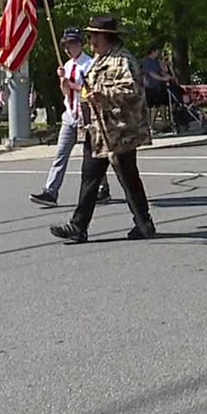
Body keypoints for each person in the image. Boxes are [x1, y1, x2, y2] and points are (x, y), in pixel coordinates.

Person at [49, 15, 156, 244]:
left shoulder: (122, 60)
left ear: (106, 36)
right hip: (97, 129)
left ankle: (144, 223)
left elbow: (133, 91)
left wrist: (104, 96)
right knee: (90, 176)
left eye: (93, 36)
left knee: (128, 178)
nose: (90, 41)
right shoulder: (99, 59)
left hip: (119, 130)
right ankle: (79, 226)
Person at [31, 28, 111, 207]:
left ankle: (102, 188)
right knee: (61, 154)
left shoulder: (89, 64)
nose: (68, 48)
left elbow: (89, 90)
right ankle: (51, 191)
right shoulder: (67, 66)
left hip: (86, 115)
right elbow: (65, 93)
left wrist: (72, 84)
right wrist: (63, 83)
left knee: (93, 154)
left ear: (80, 44)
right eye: (66, 45)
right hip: (70, 115)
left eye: (72, 44)